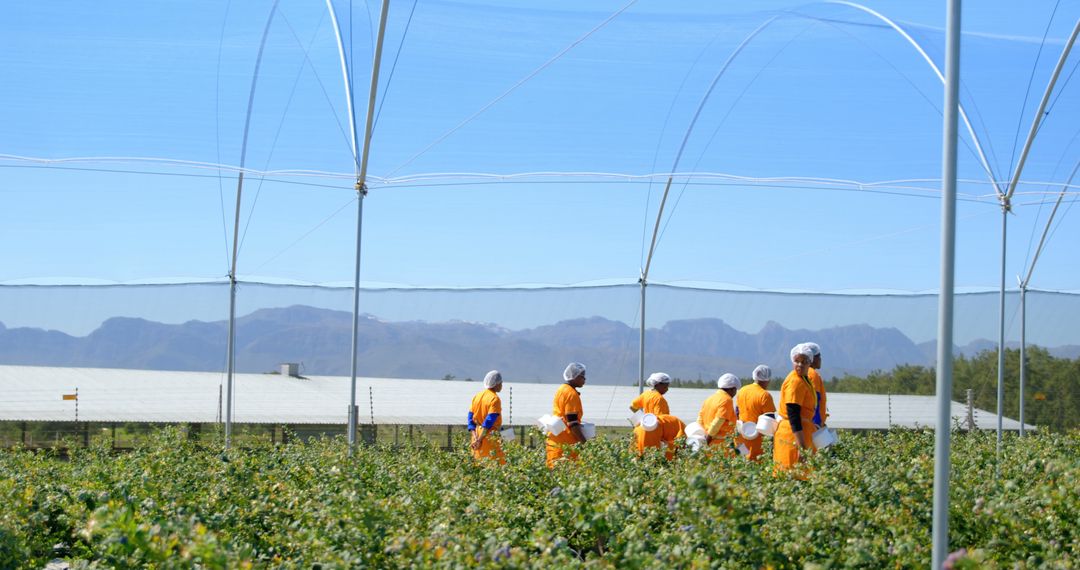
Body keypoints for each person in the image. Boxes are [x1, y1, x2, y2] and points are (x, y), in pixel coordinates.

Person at [774, 345, 818, 476]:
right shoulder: (795, 382)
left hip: (802, 432)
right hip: (793, 435)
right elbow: (793, 414)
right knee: (793, 475)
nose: (800, 365)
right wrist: (801, 446)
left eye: (804, 362)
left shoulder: (804, 379)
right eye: (797, 361)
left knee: (801, 475)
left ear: (810, 363)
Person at [546, 362, 587, 468]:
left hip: (555, 441)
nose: (584, 379)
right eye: (582, 376)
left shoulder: (561, 389)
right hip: (566, 445)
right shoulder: (571, 394)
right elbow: (572, 423)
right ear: (575, 377)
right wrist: (585, 443)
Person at [736, 364, 777, 461]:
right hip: (757, 438)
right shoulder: (765, 395)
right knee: (756, 465)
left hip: (741, 435)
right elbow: (770, 421)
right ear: (768, 379)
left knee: (741, 463)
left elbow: (737, 412)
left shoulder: (742, 390)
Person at [467, 370, 506, 465]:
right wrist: (480, 439)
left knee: (478, 463)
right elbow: (489, 421)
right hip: (489, 436)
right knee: (494, 463)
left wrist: (475, 437)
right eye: (501, 383)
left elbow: (470, 418)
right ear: (496, 384)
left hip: (476, 433)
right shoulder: (494, 399)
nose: (502, 385)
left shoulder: (477, 396)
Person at [697, 373, 739, 454]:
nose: (735, 393)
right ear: (732, 389)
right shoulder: (727, 400)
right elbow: (719, 421)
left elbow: (700, 419)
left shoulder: (710, 398)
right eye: (735, 390)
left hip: (707, 439)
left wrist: (702, 437)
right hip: (719, 443)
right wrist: (708, 439)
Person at [801, 342, 828, 427]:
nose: (820, 359)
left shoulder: (805, 372)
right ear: (812, 358)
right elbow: (814, 402)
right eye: (818, 356)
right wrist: (816, 425)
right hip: (811, 425)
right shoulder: (812, 374)